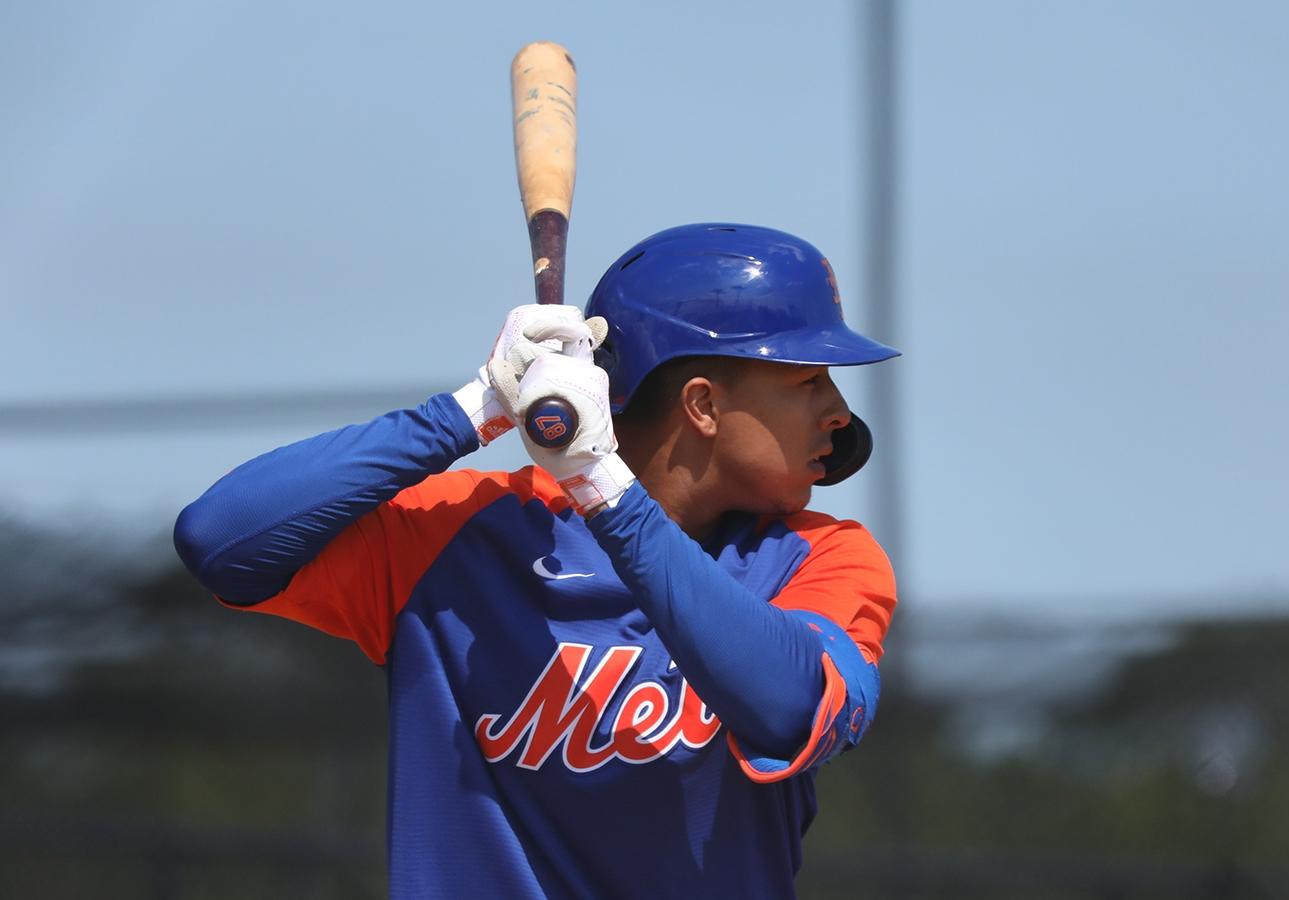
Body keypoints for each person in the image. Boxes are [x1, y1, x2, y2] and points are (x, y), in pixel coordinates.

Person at [173, 223, 900, 899]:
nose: (838, 413)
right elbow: (224, 540)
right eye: (808, 381)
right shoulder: (465, 534)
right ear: (702, 406)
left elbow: (788, 705)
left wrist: (603, 487)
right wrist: (474, 407)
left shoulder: (822, 559)